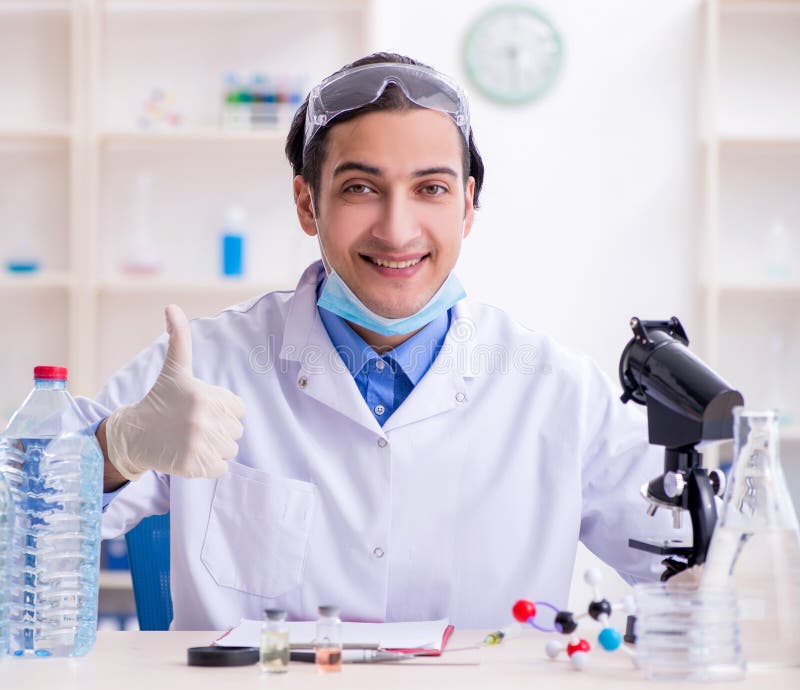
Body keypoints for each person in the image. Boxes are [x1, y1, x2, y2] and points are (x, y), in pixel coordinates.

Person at [78, 52, 684, 631]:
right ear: (306, 203)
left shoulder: (557, 391)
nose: (397, 230)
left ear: (468, 207)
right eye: (360, 188)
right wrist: (115, 449)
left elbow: (696, 565)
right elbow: (14, 523)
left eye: (432, 189)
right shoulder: (202, 366)